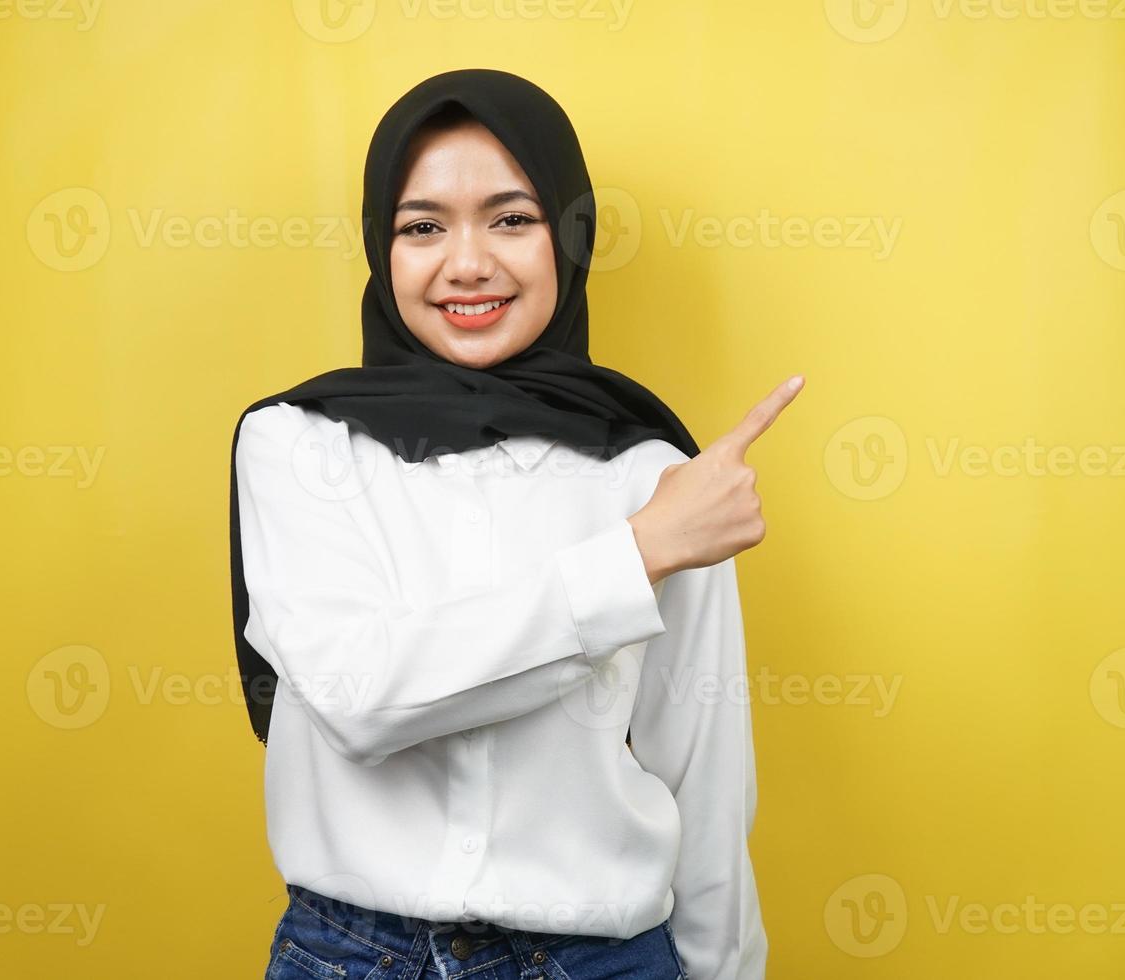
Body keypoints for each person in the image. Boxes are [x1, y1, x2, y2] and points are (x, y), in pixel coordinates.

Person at [227, 68, 803, 980]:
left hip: (604, 960)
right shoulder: (295, 446)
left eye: (512, 219)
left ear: (568, 238)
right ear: (383, 245)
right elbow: (360, 699)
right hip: (351, 956)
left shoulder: (653, 474)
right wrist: (638, 556)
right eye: (423, 226)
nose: (467, 264)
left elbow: (705, 771)